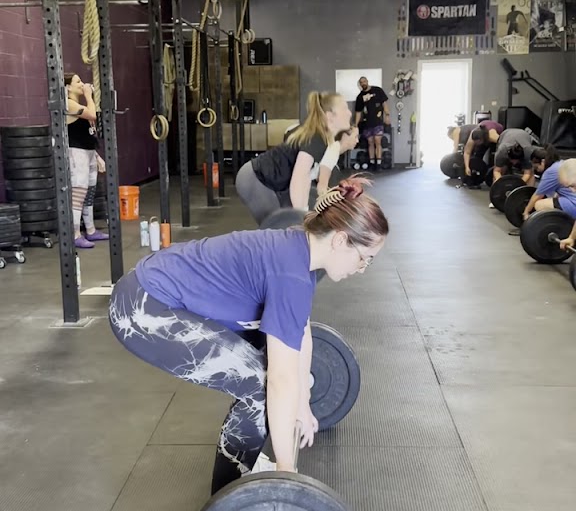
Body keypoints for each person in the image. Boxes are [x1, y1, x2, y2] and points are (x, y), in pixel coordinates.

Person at [109, 177, 389, 494]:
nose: (363, 268)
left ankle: (242, 484)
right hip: (143, 306)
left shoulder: (301, 252)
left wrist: (303, 402)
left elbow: (300, 329)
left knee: (274, 379)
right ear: (340, 240)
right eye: (365, 258)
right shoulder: (291, 273)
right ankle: (229, 501)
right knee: (259, 386)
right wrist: (288, 472)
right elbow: (281, 378)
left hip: (156, 289)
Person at [235, 91, 352, 224]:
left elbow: (306, 178)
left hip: (267, 181)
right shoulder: (317, 137)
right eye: (345, 108)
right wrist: (303, 216)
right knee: (277, 227)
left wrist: (304, 212)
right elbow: (300, 177)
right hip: (255, 179)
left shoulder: (323, 138)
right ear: (330, 116)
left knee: (287, 226)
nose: (349, 113)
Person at [65, 72, 108, 250]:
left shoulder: (79, 104)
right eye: (78, 81)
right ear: (67, 87)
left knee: (90, 191)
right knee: (79, 193)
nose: (82, 84)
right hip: (76, 154)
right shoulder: (68, 104)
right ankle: (75, 234)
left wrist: (97, 156)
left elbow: (88, 134)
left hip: (88, 153)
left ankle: (90, 230)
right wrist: (89, 96)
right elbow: (92, 115)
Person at [354, 77, 391, 171]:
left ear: (367, 81)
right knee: (370, 142)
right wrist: (355, 124)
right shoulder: (360, 97)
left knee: (377, 141)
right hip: (367, 123)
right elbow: (358, 112)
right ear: (360, 84)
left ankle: (378, 164)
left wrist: (387, 115)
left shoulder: (377, 90)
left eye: (364, 81)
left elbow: (384, 103)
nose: (363, 83)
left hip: (378, 122)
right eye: (361, 82)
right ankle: (372, 163)